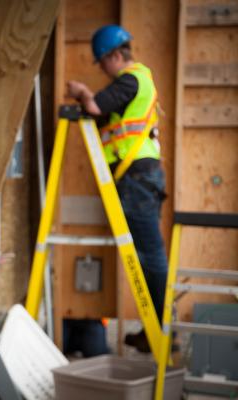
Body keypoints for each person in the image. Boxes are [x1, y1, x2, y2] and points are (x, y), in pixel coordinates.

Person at [65, 25, 168, 353]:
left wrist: (81, 92)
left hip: (137, 179)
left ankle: (157, 329)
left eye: (102, 62)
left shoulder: (131, 79)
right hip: (140, 178)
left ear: (114, 55)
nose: (102, 69)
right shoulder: (138, 83)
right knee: (148, 254)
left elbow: (95, 107)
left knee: (150, 255)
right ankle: (154, 327)